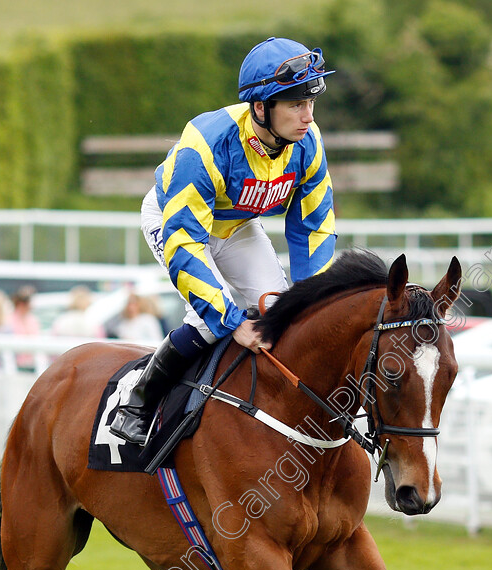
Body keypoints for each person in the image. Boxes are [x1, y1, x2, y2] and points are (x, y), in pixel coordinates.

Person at [111, 36, 337, 445]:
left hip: (235, 226)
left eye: (311, 103)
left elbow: (314, 227)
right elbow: (186, 243)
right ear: (260, 107)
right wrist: (232, 322)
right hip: (176, 222)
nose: (308, 117)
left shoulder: (308, 143)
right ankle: (138, 400)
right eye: (296, 104)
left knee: (279, 309)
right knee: (211, 320)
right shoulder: (207, 143)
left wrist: (310, 299)